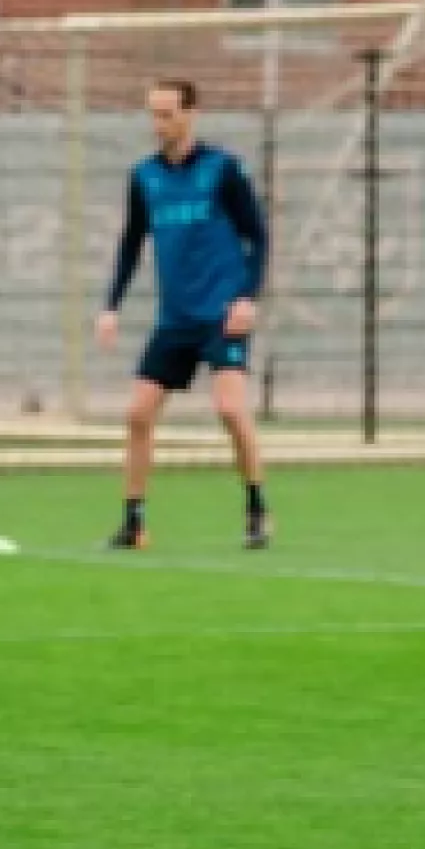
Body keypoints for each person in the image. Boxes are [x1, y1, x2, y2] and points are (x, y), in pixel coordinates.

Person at [96, 78, 272, 551]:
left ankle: (257, 506)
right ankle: (134, 522)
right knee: (137, 414)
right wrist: (110, 306)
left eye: (167, 114)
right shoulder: (144, 177)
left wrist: (247, 297)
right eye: (153, 115)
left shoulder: (223, 169)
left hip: (221, 313)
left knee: (231, 410)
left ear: (191, 114)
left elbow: (258, 236)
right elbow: (131, 245)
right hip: (175, 319)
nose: (159, 125)